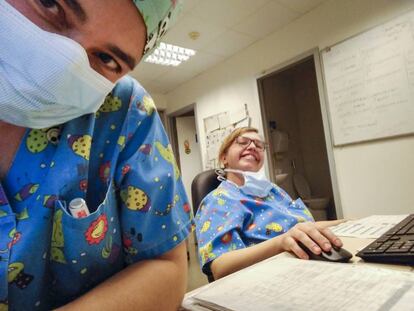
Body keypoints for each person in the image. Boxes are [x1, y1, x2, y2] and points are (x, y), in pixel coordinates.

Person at [0, 1, 192, 310]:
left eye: (106, 58)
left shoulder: (123, 110)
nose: (62, 67)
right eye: (51, 4)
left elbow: (166, 266)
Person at [195, 127, 344, 281]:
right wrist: (281, 242)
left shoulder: (274, 192)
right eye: (243, 142)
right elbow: (220, 267)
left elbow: (304, 228)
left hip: (312, 264)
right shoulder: (218, 200)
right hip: (273, 279)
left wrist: (348, 223)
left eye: (259, 145)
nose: (252, 146)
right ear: (224, 157)